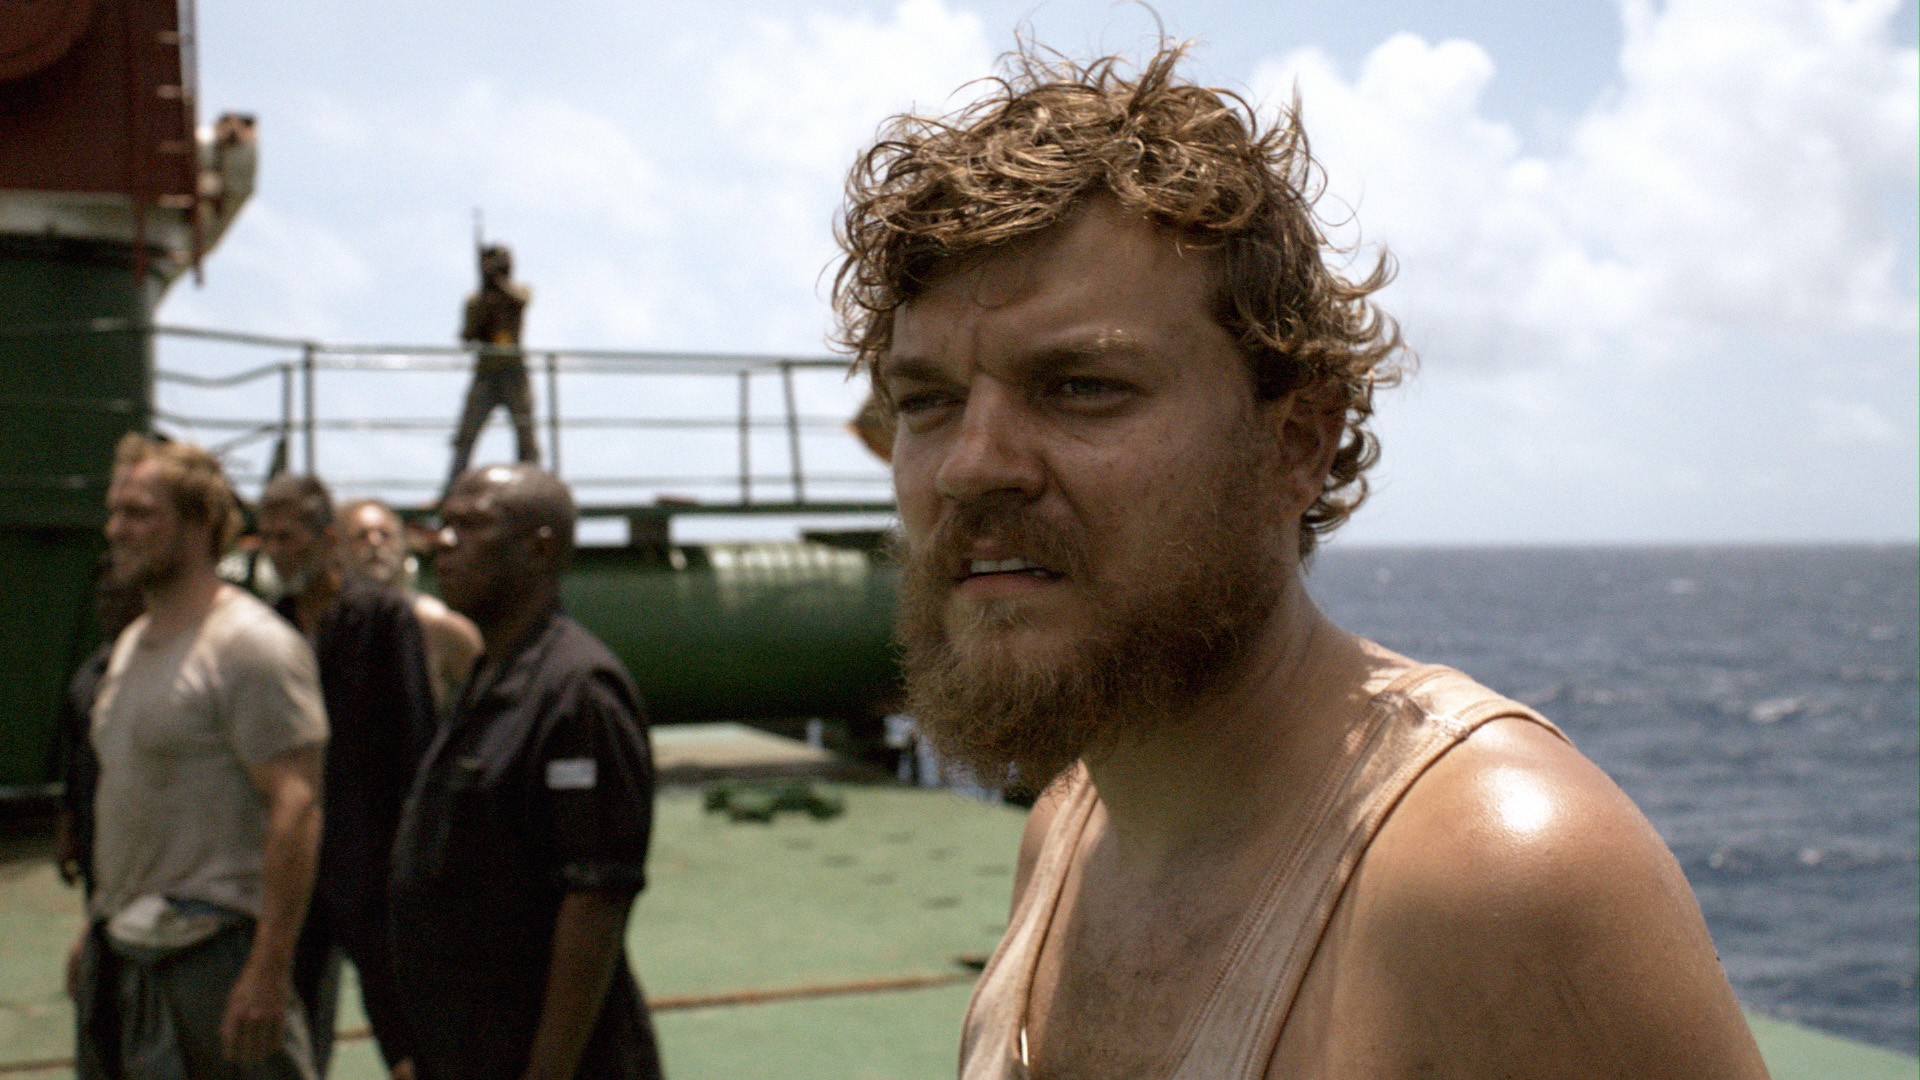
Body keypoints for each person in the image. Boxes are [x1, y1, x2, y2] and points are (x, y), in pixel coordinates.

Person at [833, 44, 1771, 1078]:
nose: (970, 466)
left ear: (1296, 444)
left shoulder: (1497, 879)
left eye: (1082, 386)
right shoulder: (1066, 833)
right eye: (927, 401)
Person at [389, 465, 663, 1080]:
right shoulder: (489, 676)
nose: (443, 542)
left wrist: (548, 1071)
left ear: (539, 549)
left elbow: (595, 894)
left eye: (472, 525)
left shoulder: (576, 691)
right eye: (443, 523)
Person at [73, 434, 327, 1079]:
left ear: (200, 523)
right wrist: (98, 926)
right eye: (114, 511)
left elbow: (296, 806)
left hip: (215, 957)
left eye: (138, 513)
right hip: (125, 950)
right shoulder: (131, 646)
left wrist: (269, 970)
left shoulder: (249, 646)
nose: (116, 530)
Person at [257, 476, 438, 1078]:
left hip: (375, 861)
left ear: (326, 539)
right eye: (267, 538)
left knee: (404, 1027)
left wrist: (412, 862)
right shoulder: (270, 626)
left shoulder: (383, 619)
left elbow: (415, 742)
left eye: (287, 538)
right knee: (293, 1025)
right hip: (299, 861)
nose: (275, 552)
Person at [336, 497, 483, 713]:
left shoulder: (437, 623)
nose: (375, 542)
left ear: (403, 545)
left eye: (385, 534)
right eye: (361, 535)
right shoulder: (325, 622)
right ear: (337, 547)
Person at [54, 559, 145, 897]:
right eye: (102, 596)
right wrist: (67, 831)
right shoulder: (89, 677)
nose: (108, 606)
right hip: (98, 836)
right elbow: (75, 765)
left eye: (119, 596)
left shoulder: (168, 670)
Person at [445, 242, 538, 498]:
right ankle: (451, 492)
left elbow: (519, 302)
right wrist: (484, 303)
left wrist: (496, 282)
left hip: (515, 373)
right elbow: (467, 336)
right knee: (466, 436)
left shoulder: (519, 291)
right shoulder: (476, 300)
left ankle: (534, 490)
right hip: (486, 374)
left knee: (525, 435)